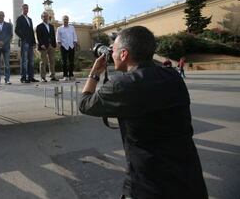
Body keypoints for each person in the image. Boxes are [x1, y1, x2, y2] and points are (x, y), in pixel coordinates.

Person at [79, 26, 208, 198]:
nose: (111, 54)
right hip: (190, 180)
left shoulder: (122, 85)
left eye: (114, 50)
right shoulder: (173, 76)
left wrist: (94, 74)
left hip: (149, 185)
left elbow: (85, 103)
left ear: (124, 54)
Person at [15, 3, 39, 83]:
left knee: (31, 60)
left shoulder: (30, 19)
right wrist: (23, 37)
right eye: (24, 8)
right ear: (22, 9)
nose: (26, 9)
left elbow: (32, 32)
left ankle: (31, 77)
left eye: (27, 8)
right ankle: (23, 77)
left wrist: (34, 42)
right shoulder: (19, 18)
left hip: (31, 42)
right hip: (24, 42)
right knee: (24, 60)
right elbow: (16, 30)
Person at [36, 11, 58, 82]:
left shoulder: (51, 26)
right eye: (44, 16)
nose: (46, 17)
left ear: (48, 17)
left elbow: (53, 36)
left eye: (47, 16)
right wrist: (41, 44)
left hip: (51, 45)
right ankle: (43, 77)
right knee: (43, 61)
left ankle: (52, 76)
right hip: (43, 46)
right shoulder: (39, 26)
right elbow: (39, 37)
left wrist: (54, 45)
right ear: (42, 17)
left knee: (52, 61)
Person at [56, 15, 78, 81]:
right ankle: (65, 75)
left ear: (68, 20)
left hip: (71, 46)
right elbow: (58, 38)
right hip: (63, 46)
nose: (66, 21)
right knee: (64, 62)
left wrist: (75, 43)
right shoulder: (59, 28)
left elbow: (75, 36)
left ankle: (71, 74)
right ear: (62, 21)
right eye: (64, 19)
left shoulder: (72, 27)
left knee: (71, 61)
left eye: (67, 19)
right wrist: (60, 44)